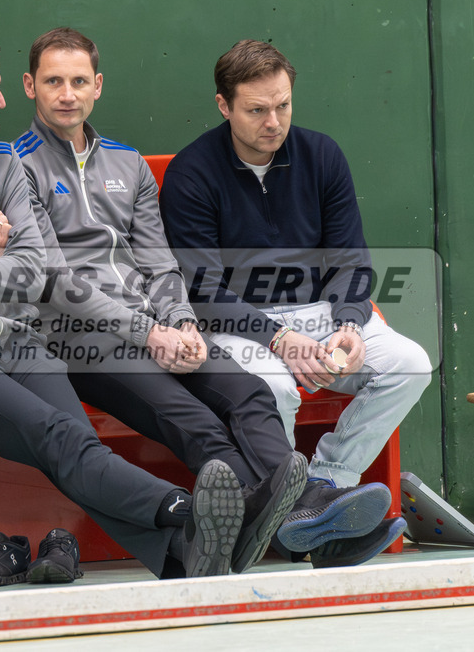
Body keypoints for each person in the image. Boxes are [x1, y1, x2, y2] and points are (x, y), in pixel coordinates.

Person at [0, 29, 280, 583]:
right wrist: (2, 273)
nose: (3, 101)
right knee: (60, 437)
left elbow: (41, 271)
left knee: (75, 447)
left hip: (17, 340)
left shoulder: (1, 162)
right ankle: (187, 510)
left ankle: (181, 556)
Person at [15, 27, 404, 569]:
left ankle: (304, 512)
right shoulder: (11, 167)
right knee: (195, 422)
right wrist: (152, 332)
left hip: (162, 327)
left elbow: (161, 263)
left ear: (97, 85)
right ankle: (306, 524)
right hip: (81, 338)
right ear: (30, 86)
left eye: (79, 80)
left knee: (247, 394)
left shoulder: (127, 166)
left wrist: (180, 323)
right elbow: (55, 279)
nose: (67, 93)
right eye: (54, 81)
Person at [159, 39, 433, 507]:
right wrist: (280, 339)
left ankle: (327, 485)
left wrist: (349, 324)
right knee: (275, 388)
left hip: (324, 315)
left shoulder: (322, 155)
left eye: (283, 105)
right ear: (224, 106)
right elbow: (202, 290)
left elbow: (351, 259)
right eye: (257, 110)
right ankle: (282, 509)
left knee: (410, 365)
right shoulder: (193, 172)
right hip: (238, 324)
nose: (273, 122)